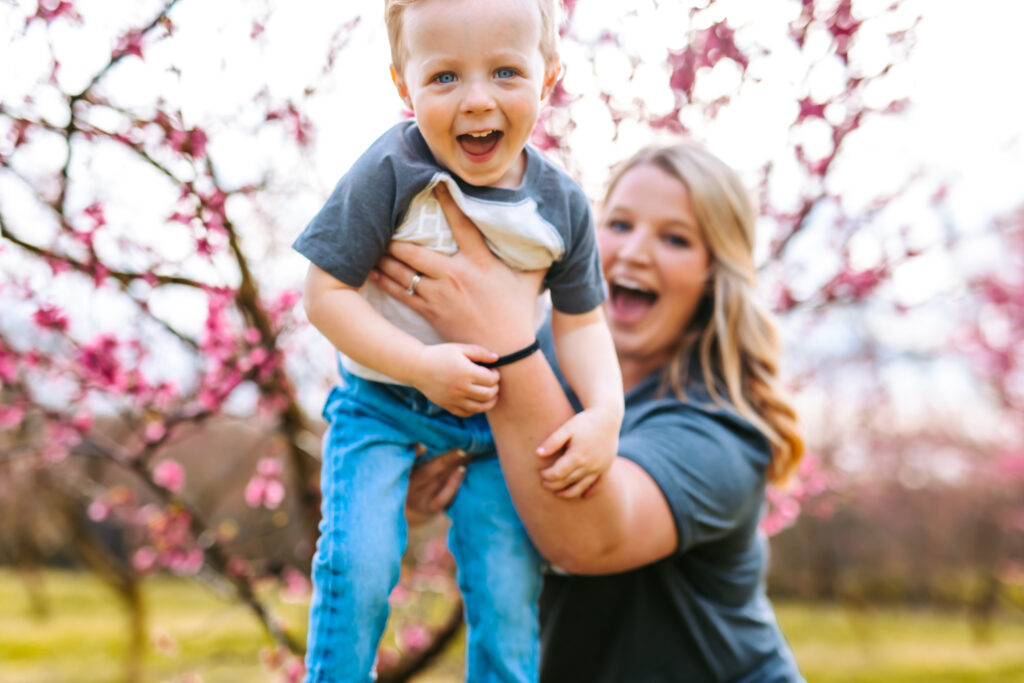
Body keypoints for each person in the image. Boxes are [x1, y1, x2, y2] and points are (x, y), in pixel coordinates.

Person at [374, 142, 807, 681]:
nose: (634, 253)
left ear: (713, 275)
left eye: (675, 239)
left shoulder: (721, 428)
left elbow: (586, 536)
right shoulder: (541, 355)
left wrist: (501, 339)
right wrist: (411, 491)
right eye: (620, 224)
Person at [292, 0, 623, 679]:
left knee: (506, 595)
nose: (476, 101)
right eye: (444, 77)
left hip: (499, 423)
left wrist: (605, 412)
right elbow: (324, 295)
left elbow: (582, 322)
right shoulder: (391, 170)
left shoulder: (560, 205)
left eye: (505, 71)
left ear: (549, 77)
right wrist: (419, 364)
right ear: (403, 85)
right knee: (358, 564)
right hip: (381, 407)